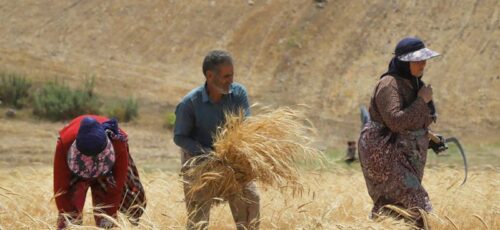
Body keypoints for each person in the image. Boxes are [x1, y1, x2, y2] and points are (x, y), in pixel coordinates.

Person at [358, 37, 445, 227]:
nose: (423, 63)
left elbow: (415, 121)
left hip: (403, 153)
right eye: (417, 60)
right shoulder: (389, 85)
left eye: (424, 59)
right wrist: (422, 100)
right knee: (416, 203)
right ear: (404, 62)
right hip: (383, 152)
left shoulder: (415, 84)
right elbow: (396, 122)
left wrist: (430, 138)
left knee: (393, 210)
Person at [173, 50, 260, 230]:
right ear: (210, 75)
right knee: (198, 221)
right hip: (200, 164)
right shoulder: (190, 103)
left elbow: (247, 125)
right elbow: (180, 136)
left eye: (232, 75)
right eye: (226, 76)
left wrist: (235, 151)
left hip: (233, 161)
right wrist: (207, 154)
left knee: (251, 200)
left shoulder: (238, 93)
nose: (231, 80)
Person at [53, 115, 142, 229]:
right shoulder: (65, 144)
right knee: (68, 218)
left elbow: (117, 184)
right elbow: (61, 188)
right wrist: (68, 219)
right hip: (76, 168)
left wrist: (108, 216)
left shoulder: (117, 141)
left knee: (113, 214)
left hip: (107, 169)